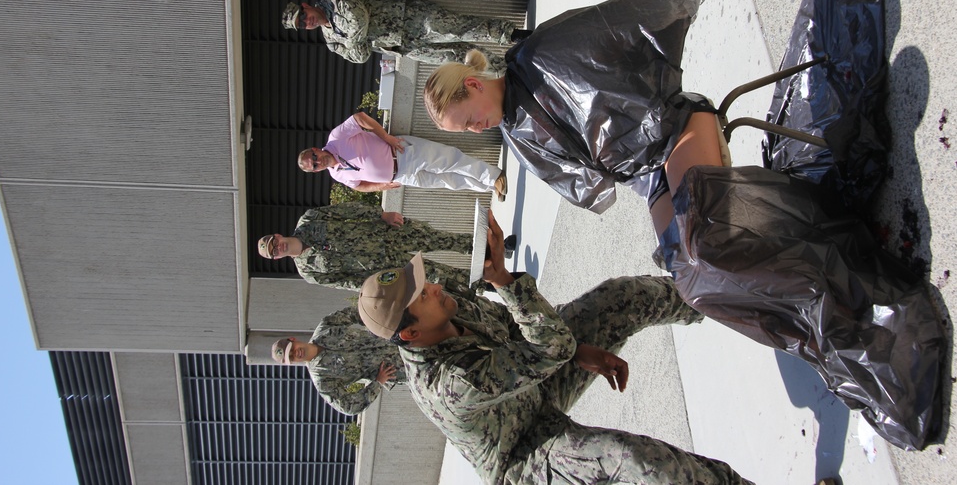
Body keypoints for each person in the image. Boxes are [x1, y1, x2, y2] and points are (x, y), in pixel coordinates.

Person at [421, 0, 946, 449]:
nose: (475, 132)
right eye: (464, 133)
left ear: (471, 86)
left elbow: (629, 20)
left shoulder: (537, 55)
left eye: (466, 123)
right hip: (652, 171)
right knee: (692, 284)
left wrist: (663, 50)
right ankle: (818, 328)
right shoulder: (516, 133)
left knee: (708, 244)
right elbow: (594, 179)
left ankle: (844, 293)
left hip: (675, 129)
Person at [355, 215, 753, 485]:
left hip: (534, 380)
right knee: (632, 461)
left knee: (620, 297)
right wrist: (505, 282)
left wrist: (579, 350)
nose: (436, 288)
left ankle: (734, 295)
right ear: (410, 335)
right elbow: (550, 347)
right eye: (424, 295)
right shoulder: (450, 385)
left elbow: (515, 326)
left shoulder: (449, 306)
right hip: (525, 453)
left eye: (425, 282)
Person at [281, 0, 530, 71]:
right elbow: (361, 57)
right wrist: (357, 44)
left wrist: (355, 41)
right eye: (301, 25)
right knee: (456, 58)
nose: (307, 22)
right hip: (404, 46)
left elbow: (359, 20)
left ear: (305, 6)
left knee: (462, 28)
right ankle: (504, 68)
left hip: (411, 18)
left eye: (303, 16)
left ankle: (512, 35)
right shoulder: (330, 40)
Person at [257, 202, 474, 290]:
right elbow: (348, 283)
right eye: (273, 252)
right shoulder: (308, 272)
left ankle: (487, 247)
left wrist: (381, 215)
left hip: (387, 233)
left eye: (274, 243)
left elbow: (347, 211)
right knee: (435, 275)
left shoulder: (309, 220)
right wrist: (380, 283)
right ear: (276, 258)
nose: (278, 247)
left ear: (277, 235)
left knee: (440, 238)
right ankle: (482, 284)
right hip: (386, 265)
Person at [299, 111, 507, 198]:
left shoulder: (336, 138)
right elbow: (359, 186)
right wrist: (381, 186)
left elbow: (360, 118)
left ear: (316, 149)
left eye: (314, 157)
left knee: (450, 161)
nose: (317, 162)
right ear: (316, 171)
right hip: (402, 177)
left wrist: (386, 137)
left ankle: (494, 176)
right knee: (448, 181)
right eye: (314, 166)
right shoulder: (336, 174)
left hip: (401, 152)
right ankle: (488, 187)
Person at [271, 305, 401, 415]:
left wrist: (380, 320)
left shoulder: (325, 328)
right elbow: (347, 406)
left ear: (293, 339)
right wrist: (377, 383)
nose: (296, 353)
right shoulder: (322, 378)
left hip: (396, 336)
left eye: (292, 349)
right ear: (292, 363)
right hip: (400, 367)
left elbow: (353, 313)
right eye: (291, 356)